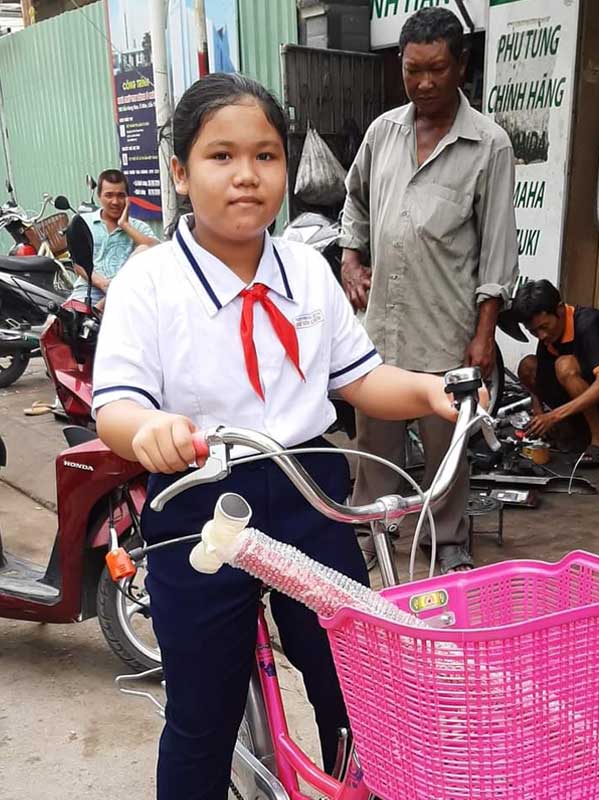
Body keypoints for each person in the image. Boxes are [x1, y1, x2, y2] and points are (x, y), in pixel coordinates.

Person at [92, 73, 466, 800]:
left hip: (311, 497)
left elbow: (357, 379)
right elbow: (117, 407)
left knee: (355, 693)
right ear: (180, 171)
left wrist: (425, 388)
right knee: (202, 714)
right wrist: (151, 431)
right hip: (200, 502)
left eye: (265, 156)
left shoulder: (305, 268)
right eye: (221, 156)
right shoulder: (150, 281)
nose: (246, 176)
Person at [339, 7, 518, 573]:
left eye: (436, 69)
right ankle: (370, 540)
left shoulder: (489, 146)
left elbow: (496, 249)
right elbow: (356, 202)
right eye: (412, 70)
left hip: (446, 336)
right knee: (373, 452)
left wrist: (485, 334)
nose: (423, 83)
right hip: (382, 337)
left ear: (461, 65)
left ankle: (447, 542)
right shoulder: (383, 132)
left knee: (447, 456)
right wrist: (350, 259)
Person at [512, 279, 599, 465]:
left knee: (564, 366)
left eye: (544, 327)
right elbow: (541, 377)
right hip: (579, 404)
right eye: (534, 332)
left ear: (560, 310)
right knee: (528, 366)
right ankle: (575, 431)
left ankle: (598, 442)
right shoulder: (548, 337)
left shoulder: (588, 324)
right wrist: (538, 413)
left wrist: (553, 416)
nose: (541, 336)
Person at [69, 168, 158, 310]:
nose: (115, 202)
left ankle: (101, 307)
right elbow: (77, 264)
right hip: (87, 291)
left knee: (143, 249)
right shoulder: (84, 223)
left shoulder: (137, 227)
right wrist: (103, 284)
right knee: (54, 324)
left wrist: (125, 225)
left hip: (127, 295)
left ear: (128, 198)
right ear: (99, 196)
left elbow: (157, 250)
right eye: (109, 195)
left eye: (120, 195)